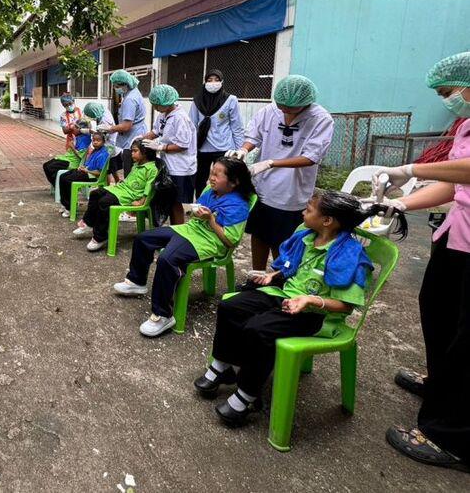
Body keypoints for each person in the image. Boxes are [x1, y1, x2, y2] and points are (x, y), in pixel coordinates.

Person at [194, 190, 402, 426]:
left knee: (258, 329)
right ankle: (223, 365)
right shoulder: (306, 236)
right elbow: (293, 268)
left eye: (309, 210)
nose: (303, 212)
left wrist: (310, 300)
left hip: (316, 314)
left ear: (327, 220)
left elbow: (345, 304)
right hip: (285, 296)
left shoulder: (349, 255)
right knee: (230, 306)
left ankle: (247, 395)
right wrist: (274, 276)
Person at [370, 51, 470, 470]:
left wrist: (412, 167)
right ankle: (441, 383)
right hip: (458, 235)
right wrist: (401, 202)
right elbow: (454, 187)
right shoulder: (465, 124)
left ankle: (452, 437)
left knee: (467, 338)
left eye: (448, 91)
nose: (447, 99)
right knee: (438, 310)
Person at [113, 157, 254, 337]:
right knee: (144, 238)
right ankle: (137, 281)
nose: (211, 178)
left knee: (167, 259)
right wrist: (196, 213)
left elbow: (229, 241)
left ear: (234, 182)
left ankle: (163, 315)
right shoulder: (210, 191)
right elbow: (195, 213)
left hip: (210, 241)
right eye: (211, 173)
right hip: (191, 230)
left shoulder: (238, 205)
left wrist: (211, 219)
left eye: (217, 175)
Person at [228, 75, 333, 272]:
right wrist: (243, 149)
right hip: (263, 187)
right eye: (281, 106)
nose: (284, 111)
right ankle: (257, 276)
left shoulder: (320, 119)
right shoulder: (270, 111)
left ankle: (280, 279)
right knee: (259, 234)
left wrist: (271, 163)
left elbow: (311, 157)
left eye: (290, 108)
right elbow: (254, 135)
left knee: (284, 242)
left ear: (305, 103)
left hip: (292, 191)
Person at [73, 139, 158, 252]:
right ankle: (88, 222)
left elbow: (149, 187)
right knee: (95, 193)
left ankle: (100, 237)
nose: (132, 154)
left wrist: (141, 201)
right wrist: (123, 181)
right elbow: (131, 179)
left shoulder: (152, 169)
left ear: (145, 153)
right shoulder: (136, 165)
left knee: (104, 202)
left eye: (135, 151)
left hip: (129, 196)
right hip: (121, 190)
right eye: (132, 151)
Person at [142, 84, 197, 225]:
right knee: (170, 201)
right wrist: (141, 138)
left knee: (176, 203)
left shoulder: (180, 118)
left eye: (157, 105)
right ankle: (173, 230)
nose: (155, 108)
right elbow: (156, 131)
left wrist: (161, 147)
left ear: (166, 102)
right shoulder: (163, 114)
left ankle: (178, 230)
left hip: (181, 167)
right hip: (169, 164)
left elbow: (183, 144)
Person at [189, 70, 244, 193]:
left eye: (217, 80)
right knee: (199, 180)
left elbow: (237, 127)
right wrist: (191, 148)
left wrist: (239, 150)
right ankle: (202, 202)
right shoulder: (197, 101)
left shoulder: (230, 100)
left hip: (224, 148)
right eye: (209, 80)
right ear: (205, 82)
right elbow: (191, 126)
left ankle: (222, 201)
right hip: (202, 147)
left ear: (222, 82)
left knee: (223, 179)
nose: (213, 83)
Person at [100, 70, 147, 178]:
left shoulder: (130, 99)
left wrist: (110, 128)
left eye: (117, 86)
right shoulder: (133, 93)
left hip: (132, 140)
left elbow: (126, 126)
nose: (115, 88)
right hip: (136, 136)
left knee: (130, 174)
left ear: (125, 84)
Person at [57, 131, 110, 217]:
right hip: (85, 171)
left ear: (103, 142)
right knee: (63, 176)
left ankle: (69, 207)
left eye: (98, 140)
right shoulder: (95, 151)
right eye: (94, 140)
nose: (95, 142)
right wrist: (82, 167)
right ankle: (64, 203)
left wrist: (87, 171)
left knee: (68, 180)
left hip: (91, 176)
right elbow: (88, 164)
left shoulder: (103, 154)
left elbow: (99, 173)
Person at [42, 93, 89, 187]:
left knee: (51, 167)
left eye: (70, 104)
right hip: (72, 143)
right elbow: (65, 130)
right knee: (49, 166)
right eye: (65, 105)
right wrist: (72, 128)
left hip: (76, 148)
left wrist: (73, 145)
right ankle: (58, 185)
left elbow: (81, 156)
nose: (68, 106)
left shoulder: (82, 113)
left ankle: (60, 186)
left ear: (73, 101)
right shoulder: (63, 116)